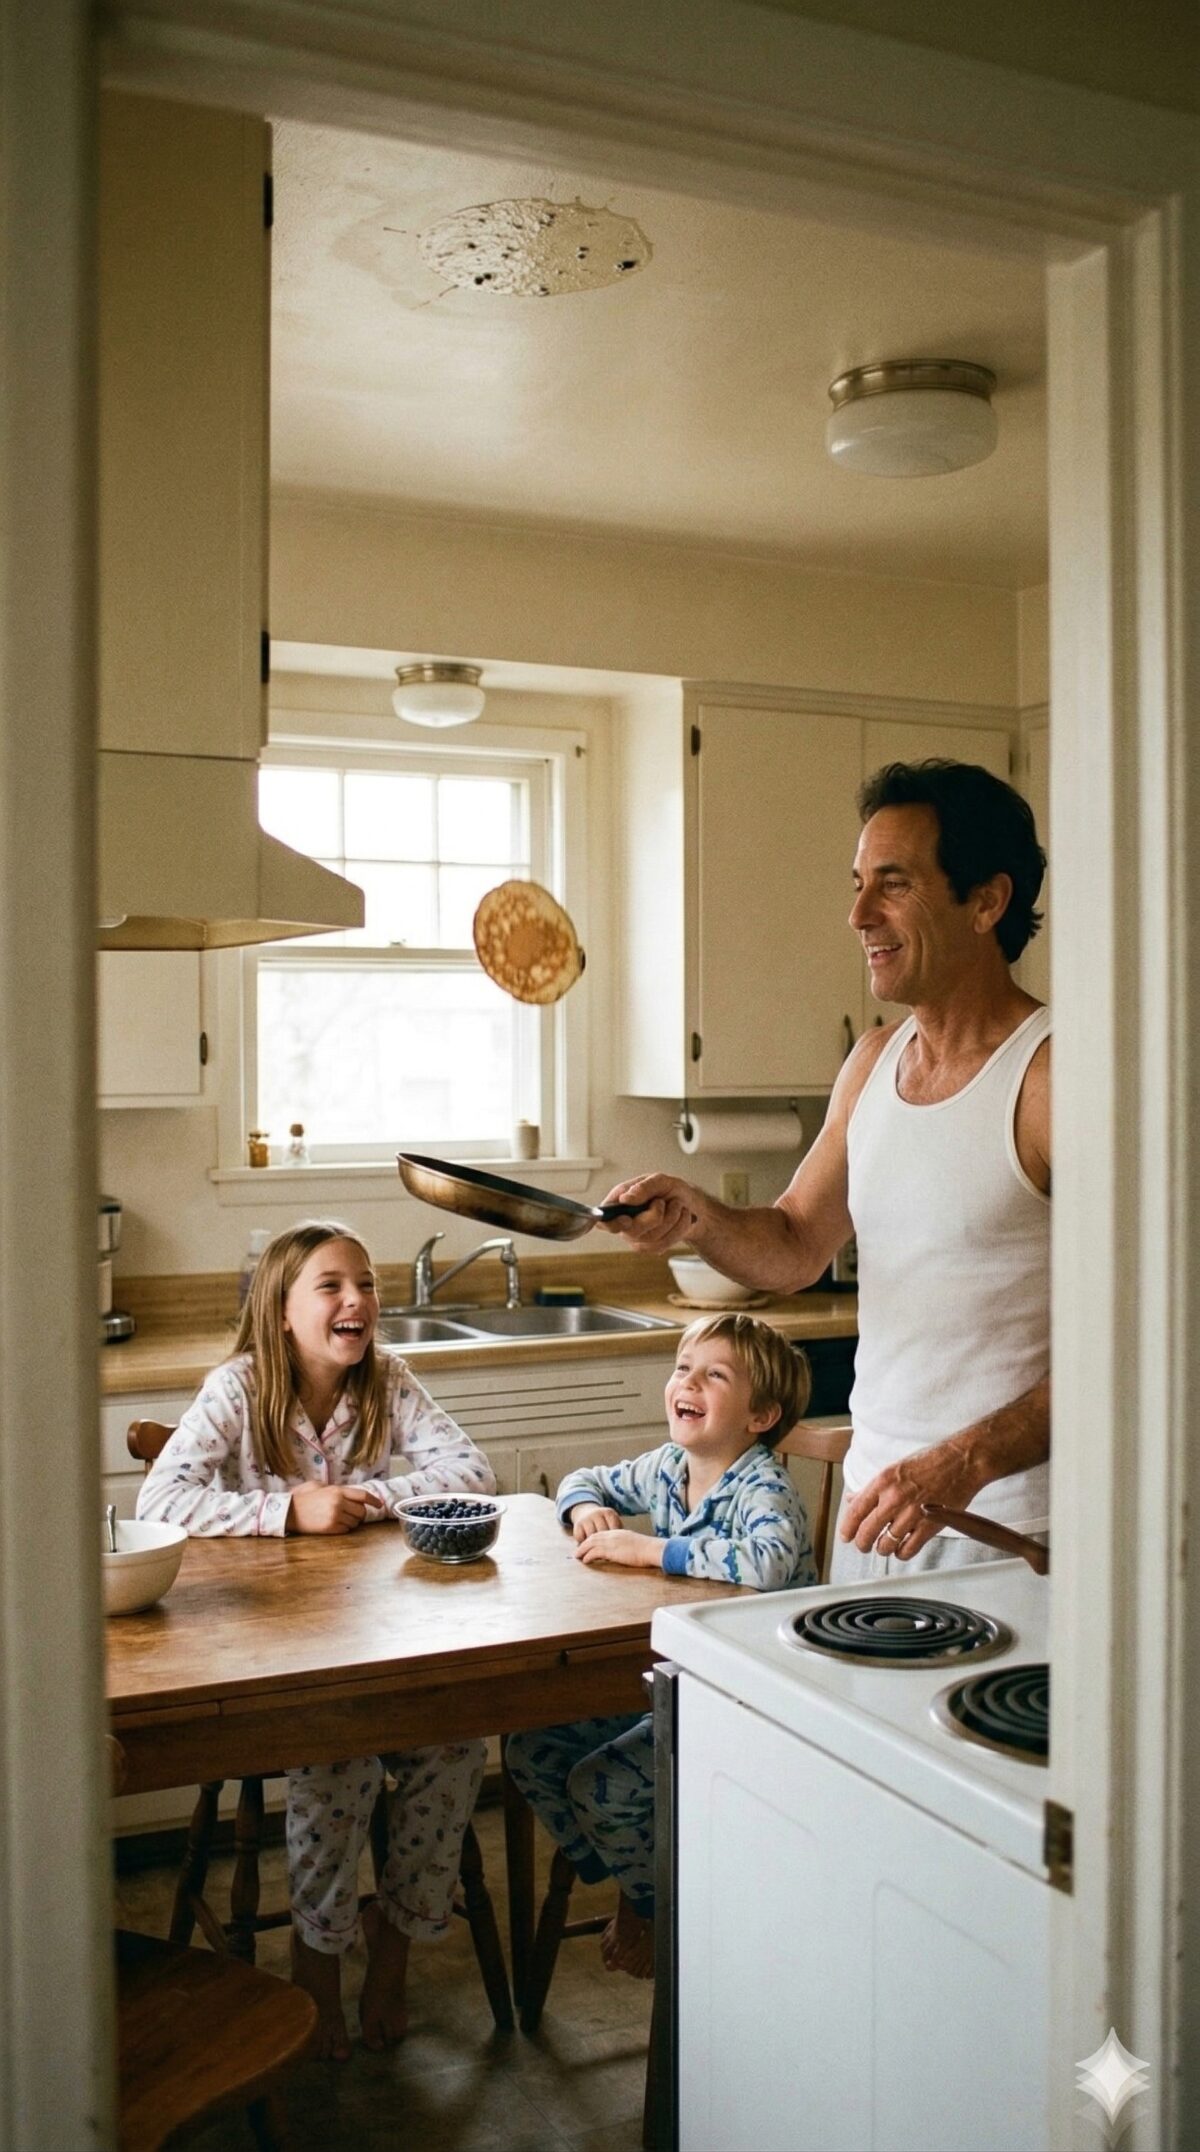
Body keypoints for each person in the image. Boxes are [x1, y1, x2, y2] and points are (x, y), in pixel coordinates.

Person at [601, 758, 1050, 1580]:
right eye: (857, 883)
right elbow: (797, 1243)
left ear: (987, 901)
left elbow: (1139, 1338)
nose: (858, 914)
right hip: (872, 1515)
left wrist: (966, 1460)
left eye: (894, 884)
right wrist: (696, 1215)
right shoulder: (872, 1062)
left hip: (1008, 1530)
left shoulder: (1051, 1077)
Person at [137, 1218, 496, 2060]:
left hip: (378, 1640)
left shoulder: (388, 1380)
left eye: (365, 1283)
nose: (355, 1299)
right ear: (281, 1311)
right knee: (339, 1759)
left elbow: (473, 1471)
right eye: (330, 1285)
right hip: (275, 1651)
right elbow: (160, 1500)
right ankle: (318, 1959)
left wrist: (369, 1499)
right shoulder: (239, 1387)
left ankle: (393, 1947)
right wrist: (288, 1511)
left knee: (455, 1746)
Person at [505, 1312, 813, 1979]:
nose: (688, 1383)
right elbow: (583, 1478)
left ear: (760, 1416)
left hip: (752, 1703)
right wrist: (583, 1509)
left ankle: (651, 1907)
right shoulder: (668, 1467)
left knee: (602, 1787)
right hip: (676, 1685)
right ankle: (632, 1872)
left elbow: (766, 1564)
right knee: (530, 1750)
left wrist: (652, 1550)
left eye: (715, 1375)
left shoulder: (764, 1488)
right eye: (683, 1368)